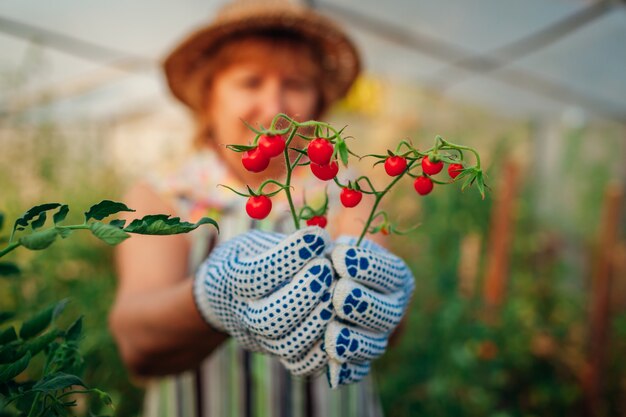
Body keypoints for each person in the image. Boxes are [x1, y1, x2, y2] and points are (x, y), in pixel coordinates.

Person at [109, 1, 413, 416]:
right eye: (250, 82)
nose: (274, 107)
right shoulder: (164, 197)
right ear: (209, 94)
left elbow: (383, 328)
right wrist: (210, 301)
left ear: (318, 101)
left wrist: (382, 303)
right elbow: (138, 346)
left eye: (297, 84)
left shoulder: (348, 190)